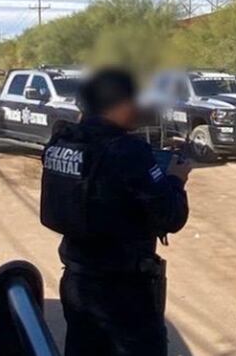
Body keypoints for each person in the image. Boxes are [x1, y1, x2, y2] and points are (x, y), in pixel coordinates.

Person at [39, 68, 191, 356]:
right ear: (120, 104)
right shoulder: (128, 151)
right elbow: (171, 216)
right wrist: (175, 179)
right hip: (124, 290)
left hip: (77, 280)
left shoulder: (62, 141)